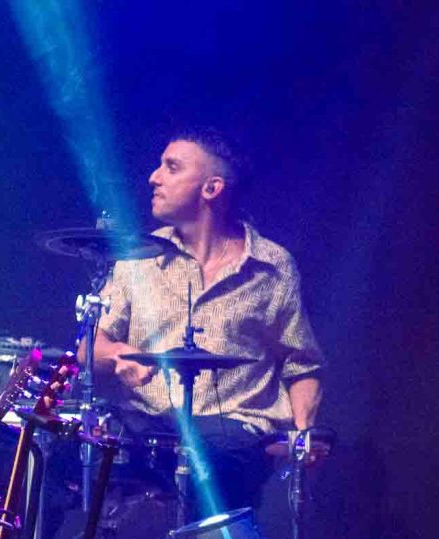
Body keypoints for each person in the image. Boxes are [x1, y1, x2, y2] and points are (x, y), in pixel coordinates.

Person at [90, 127, 326, 517]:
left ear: (211, 188)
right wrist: (117, 354)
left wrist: (302, 436)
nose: (154, 177)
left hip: (235, 436)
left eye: (172, 167)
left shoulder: (273, 267)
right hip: (148, 430)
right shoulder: (139, 257)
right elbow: (90, 345)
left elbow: (303, 365)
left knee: (212, 447)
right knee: (58, 448)